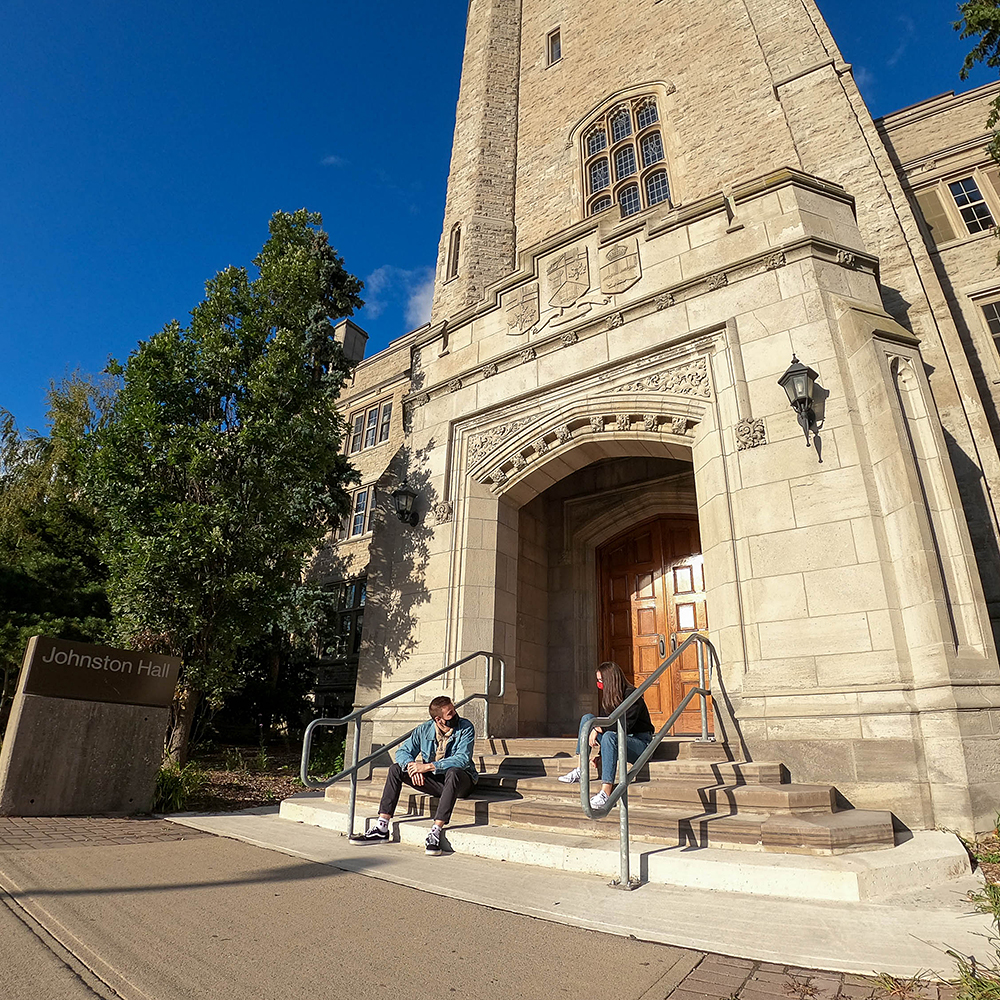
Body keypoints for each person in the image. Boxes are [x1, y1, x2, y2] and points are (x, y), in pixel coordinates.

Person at [350, 695, 477, 855]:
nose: (455, 714)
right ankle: (382, 827)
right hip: (438, 782)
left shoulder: (465, 727)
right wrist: (412, 766)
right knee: (396, 769)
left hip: (463, 782)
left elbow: (462, 759)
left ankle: (436, 831)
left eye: (453, 709)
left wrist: (428, 767)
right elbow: (403, 751)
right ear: (439, 719)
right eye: (450, 713)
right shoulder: (423, 730)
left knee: (453, 771)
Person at [558, 661, 655, 809]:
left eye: (601, 680)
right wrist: (603, 753)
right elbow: (603, 722)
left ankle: (606, 793)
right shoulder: (609, 698)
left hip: (640, 743)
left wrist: (597, 730)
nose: (599, 684)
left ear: (610, 680)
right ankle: (580, 768)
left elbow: (625, 726)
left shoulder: (633, 695)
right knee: (587, 719)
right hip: (619, 740)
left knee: (608, 735)